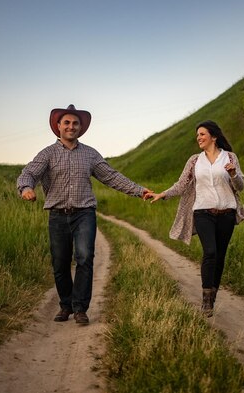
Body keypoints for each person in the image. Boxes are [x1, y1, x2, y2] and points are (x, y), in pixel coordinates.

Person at [17, 104, 151, 324]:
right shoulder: (47, 154)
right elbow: (29, 172)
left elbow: (112, 176)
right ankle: (65, 305)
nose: (71, 126)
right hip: (58, 216)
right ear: (58, 126)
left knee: (85, 257)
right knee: (60, 262)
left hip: (84, 213)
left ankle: (80, 308)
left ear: (81, 128)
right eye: (67, 122)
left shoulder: (90, 154)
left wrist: (139, 191)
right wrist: (26, 188)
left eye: (75, 123)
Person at [148, 120, 244, 316]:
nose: (198, 138)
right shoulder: (194, 161)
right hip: (202, 213)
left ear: (214, 136)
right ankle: (206, 300)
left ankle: (212, 294)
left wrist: (234, 174)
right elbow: (182, 184)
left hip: (226, 214)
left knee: (220, 256)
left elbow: (240, 186)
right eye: (197, 135)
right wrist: (163, 194)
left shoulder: (229, 157)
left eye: (202, 134)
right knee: (210, 252)